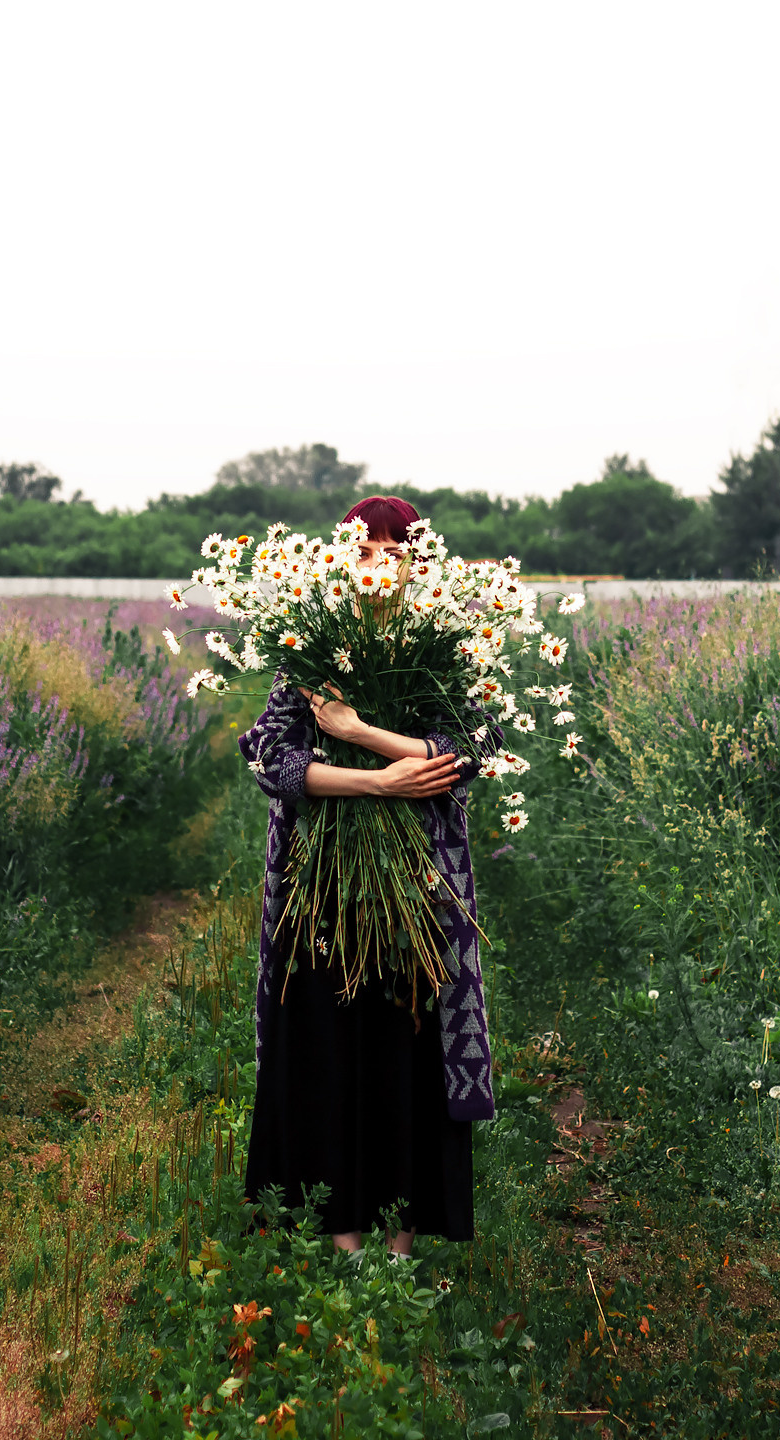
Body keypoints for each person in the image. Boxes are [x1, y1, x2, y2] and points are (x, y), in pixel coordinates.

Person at [236, 494, 495, 1256]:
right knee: (327, 1043)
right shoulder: (311, 651)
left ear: (422, 564)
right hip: (321, 887)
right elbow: (268, 758)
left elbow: (462, 755)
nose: (378, 564)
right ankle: (343, 1238)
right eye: (364, 551)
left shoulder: (447, 650)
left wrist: (353, 732)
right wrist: (381, 783)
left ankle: (400, 1246)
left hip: (418, 891)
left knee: (405, 1049)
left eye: (394, 550)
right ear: (341, 564)